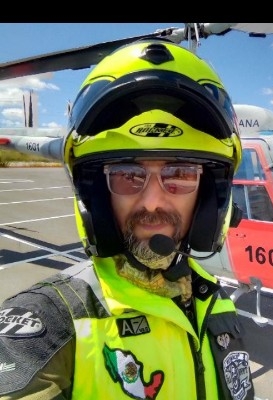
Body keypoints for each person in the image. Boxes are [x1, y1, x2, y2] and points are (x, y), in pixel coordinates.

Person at [0, 39, 255, 399]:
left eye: (180, 173)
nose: (152, 202)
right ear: (96, 197)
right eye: (126, 174)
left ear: (210, 194)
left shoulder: (216, 302)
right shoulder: (51, 324)